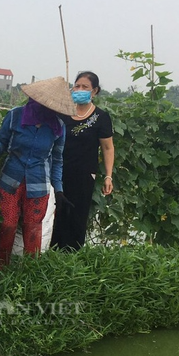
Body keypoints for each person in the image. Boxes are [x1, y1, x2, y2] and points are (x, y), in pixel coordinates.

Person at [0, 77, 76, 268]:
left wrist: (59, 190)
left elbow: (57, 160)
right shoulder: (15, 116)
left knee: (33, 229)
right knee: (8, 225)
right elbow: (1, 141)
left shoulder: (57, 127)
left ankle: (31, 274)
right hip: (11, 180)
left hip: (38, 185)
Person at [51, 71, 114, 251]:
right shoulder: (63, 112)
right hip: (57, 173)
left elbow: (108, 148)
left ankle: (72, 257)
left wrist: (108, 176)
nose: (79, 90)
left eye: (85, 87)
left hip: (84, 175)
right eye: (77, 86)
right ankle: (50, 256)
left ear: (94, 91)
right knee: (55, 215)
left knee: (76, 216)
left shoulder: (101, 118)